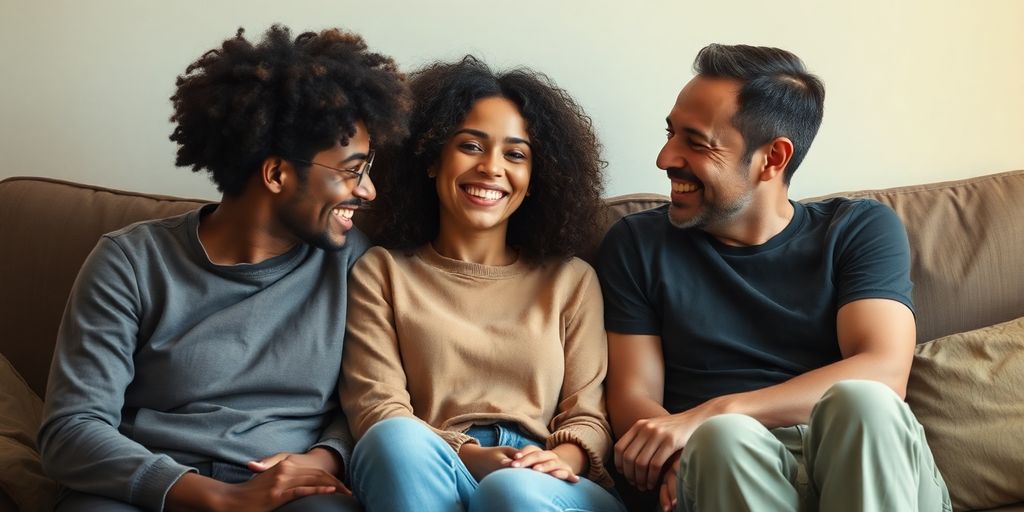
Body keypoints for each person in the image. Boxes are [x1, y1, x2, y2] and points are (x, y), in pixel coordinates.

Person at [37, 25, 408, 511]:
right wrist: (219, 498)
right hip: (151, 490)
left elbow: (368, 398)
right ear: (277, 173)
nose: (368, 190)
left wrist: (325, 458)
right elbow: (71, 429)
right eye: (352, 170)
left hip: (290, 491)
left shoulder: (353, 262)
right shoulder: (130, 261)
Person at [596, 44, 951, 511]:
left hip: (865, 464)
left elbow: (883, 372)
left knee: (863, 403)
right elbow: (634, 394)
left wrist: (711, 412)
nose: (665, 158)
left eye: (696, 142)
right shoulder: (638, 244)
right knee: (722, 441)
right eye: (670, 133)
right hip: (727, 468)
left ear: (772, 157)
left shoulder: (858, 229)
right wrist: (681, 450)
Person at [339, 56, 624, 512]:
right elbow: (377, 406)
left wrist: (556, 459)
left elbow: (588, 416)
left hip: (545, 479)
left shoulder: (571, 280)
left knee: (508, 491)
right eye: (471, 146)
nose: (492, 168)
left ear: (534, 178)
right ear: (432, 159)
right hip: (434, 466)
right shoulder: (382, 272)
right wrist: (469, 455)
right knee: (391, 438)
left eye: (515, 154)